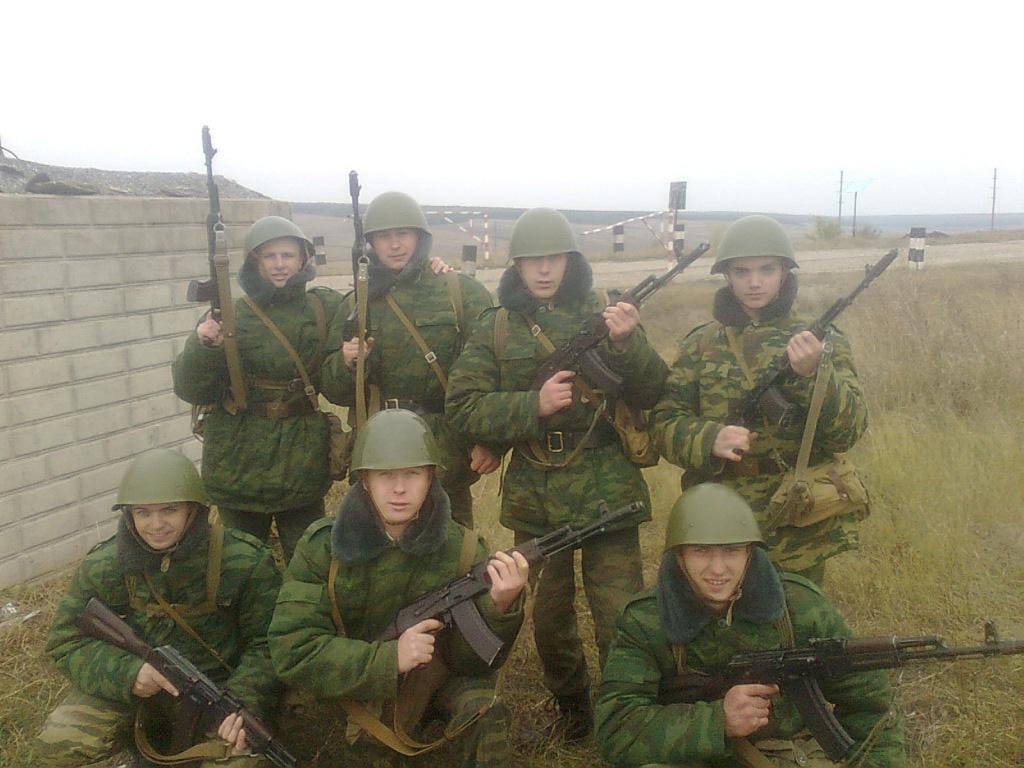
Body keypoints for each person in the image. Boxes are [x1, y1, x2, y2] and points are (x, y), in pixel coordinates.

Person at [445, 207, 667, 742]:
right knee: (548, 614)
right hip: (537, 491)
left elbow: (655, 390)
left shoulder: (605, 313)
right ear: (516, 266)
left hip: (606, 484)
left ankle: (627, 710)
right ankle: (573, 711)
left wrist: (627, 344)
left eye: (554, 259)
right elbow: (462, 406)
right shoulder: (497, 326)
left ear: (571, 260)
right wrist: (532, 406)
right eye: (532, 261)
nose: (544, 270)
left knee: (620, 611)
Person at [267, 409, 528, 767]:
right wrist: (389, 660)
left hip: (437, 680)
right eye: (385, 475)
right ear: (364, 481)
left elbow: (473, 662)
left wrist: (498, 607)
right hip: (354, 686)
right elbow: (293, 650)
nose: (400, 489)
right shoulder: (323, 549)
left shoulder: (464, 549)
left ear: (431, 478)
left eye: (413, 474)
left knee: (485, 711)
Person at [594, 483, 905, 767]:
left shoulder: (799, 607)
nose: (718, 569)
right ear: (679, 557)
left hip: (791, 754)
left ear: (749, 553)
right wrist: (717, 721)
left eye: (731, 550)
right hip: (694, 757)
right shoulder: (645, 621)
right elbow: (616, 729)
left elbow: (870, 704)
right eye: (701, 551)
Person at [651, 215, 868, 585]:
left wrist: (815, 375)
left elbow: (848, 432)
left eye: (766, 269)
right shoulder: (701, 344)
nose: (754, 282)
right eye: (742, 271)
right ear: (727, 275)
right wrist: (708, 439)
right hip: (719, 513)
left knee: (796, 613)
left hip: (797, 516)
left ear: (784, 272)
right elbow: (664, 422)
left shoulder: (821, 341)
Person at [36, 449, 281, 768]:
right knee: (60, 739)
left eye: (169, 510)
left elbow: (270, 644)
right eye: (143, 513)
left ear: (193, 509)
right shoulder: (105, 566)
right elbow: (66, 641)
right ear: (129, 514)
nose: (156, 525)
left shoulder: (244, 561)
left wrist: (242, 701)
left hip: (220, 694)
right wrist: (129, 673)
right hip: (138, 693)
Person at [319, 191, 497, 529]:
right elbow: (332, 388)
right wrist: (347, 363)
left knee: (455, 548)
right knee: (380, 548)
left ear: (419, 237)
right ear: (371, 243)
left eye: (403, 234)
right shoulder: (356, 303)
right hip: (379, 449)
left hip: (444, 450)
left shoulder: (459, 292)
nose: (395, 245)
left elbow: (491, 371)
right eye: (384, 236)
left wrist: (490, 440)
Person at [172, 215, 346, 561]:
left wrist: (438, 270)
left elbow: (337, 378)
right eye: (270, 256)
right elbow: (192, 389)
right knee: (239, 563)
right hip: (238, 460)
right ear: (255, 261)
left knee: (309, 559)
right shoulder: (229, 315)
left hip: (300, 459)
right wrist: (204, 345)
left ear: (303, 260)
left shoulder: (323, 308)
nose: (280, 264)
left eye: (288, 255)